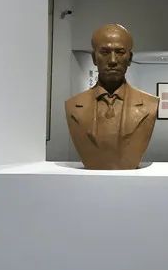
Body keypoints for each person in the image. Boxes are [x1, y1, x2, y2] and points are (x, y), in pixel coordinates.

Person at [65, 24, 159, 170]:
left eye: (120, 52)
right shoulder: (73, 106)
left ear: (130, 58)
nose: (113, 60)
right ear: (94, 58)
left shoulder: (149, 104)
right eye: (105, 52)